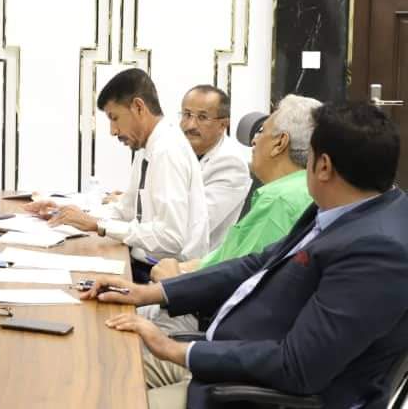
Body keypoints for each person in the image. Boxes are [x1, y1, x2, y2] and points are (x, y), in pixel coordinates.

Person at [83, 102, 408, 409]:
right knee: (104, 359)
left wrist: (175, 350)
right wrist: (150, 293)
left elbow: (296, 366)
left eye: (308, 155)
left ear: (323, 166)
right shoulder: (345, 208)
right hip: (224, 358)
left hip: (253, 393)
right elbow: (257, 264)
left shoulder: (378, 252)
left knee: (100, 385)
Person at [25, 68, 208, 281]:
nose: (113, 131)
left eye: (115, 118)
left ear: (138, 107)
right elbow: (125, 210)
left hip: (165, 279)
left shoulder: (167, 151)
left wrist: (99, 226)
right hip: (143, 266)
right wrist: (65, 212)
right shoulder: (149, 146)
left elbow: (170, 238)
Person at [152, 94, 320, 282]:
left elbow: (243, 280)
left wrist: (174, 281)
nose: (254, 141)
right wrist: (182, 269)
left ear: (280, 143)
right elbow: (226, 258)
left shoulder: (280, 200)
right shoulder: (304, 189)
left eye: (261, 131)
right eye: (186, 114)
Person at [178, 85, 251, 249]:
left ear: (223, 125)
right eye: (186, 114)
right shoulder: (178, 148)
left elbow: (194, 223)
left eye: (202, 117)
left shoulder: (231, 164)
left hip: (191, 258)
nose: (190, 125)